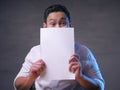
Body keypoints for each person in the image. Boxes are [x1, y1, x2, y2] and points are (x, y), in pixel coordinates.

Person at [14, 4, 105, 90]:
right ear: (45, 27)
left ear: (70, 26)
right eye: (52, 24)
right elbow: (18, 86)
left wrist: (80, 77)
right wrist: (31, 77)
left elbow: (100, 86)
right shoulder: (35, 51)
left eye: (63, 23)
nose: (58, 27)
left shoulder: (83, 51)